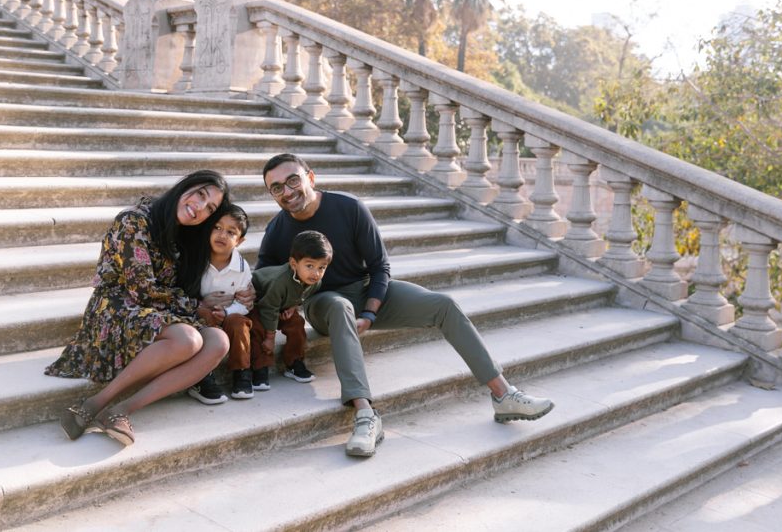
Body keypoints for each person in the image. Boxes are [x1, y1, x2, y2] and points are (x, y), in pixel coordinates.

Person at [256, 154, 554, 458]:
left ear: (311, 177)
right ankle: (365, 415)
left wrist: (371, 312)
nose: (288, 191)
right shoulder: (278, 229)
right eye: (276, 188)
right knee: (339, 306)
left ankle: (504, 395)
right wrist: (281, 302)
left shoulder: (348, 207)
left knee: (443, 304)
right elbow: (263, 275)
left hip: (366, 290)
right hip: (324, 302)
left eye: (293, 180)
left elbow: (379, 265)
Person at [45, 170, 242, 447]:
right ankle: (93, 403)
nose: (200, 207)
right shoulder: (134, 221)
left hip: (154, 312)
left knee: (218, 342)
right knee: (188, 339)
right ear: (185, 186)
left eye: (210, 208)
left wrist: (240, 291)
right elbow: (141, 289)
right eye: (200, 194)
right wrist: (195, 306)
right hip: (114, 309)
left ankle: (120, 411)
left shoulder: (183, 236)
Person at [188, 204, 255, 404]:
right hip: (199, 313)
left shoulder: (242, 268)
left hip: (227, 315)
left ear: (240, 241)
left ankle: (242, 372)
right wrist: (201, 306)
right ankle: (202, 376)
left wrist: (227, 312)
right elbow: (181, 291)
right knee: (203, 322)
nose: (222, 235)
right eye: (217, 228)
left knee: (239, 323)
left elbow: (245, 303)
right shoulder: (196, 261)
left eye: (230, 232)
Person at [249, 230, 330, 390]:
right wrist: (270, 337)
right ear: (294, 264)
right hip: (258, 304)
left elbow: (303, 294)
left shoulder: (315, 281)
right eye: (310, 266)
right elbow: (268, 308)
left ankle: (294, 363)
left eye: (322, 267)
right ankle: (260, 367)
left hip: (280, 305)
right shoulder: (279, 281)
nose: (316, 273)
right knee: (258, 330)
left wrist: (293, 307)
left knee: (297, 324)